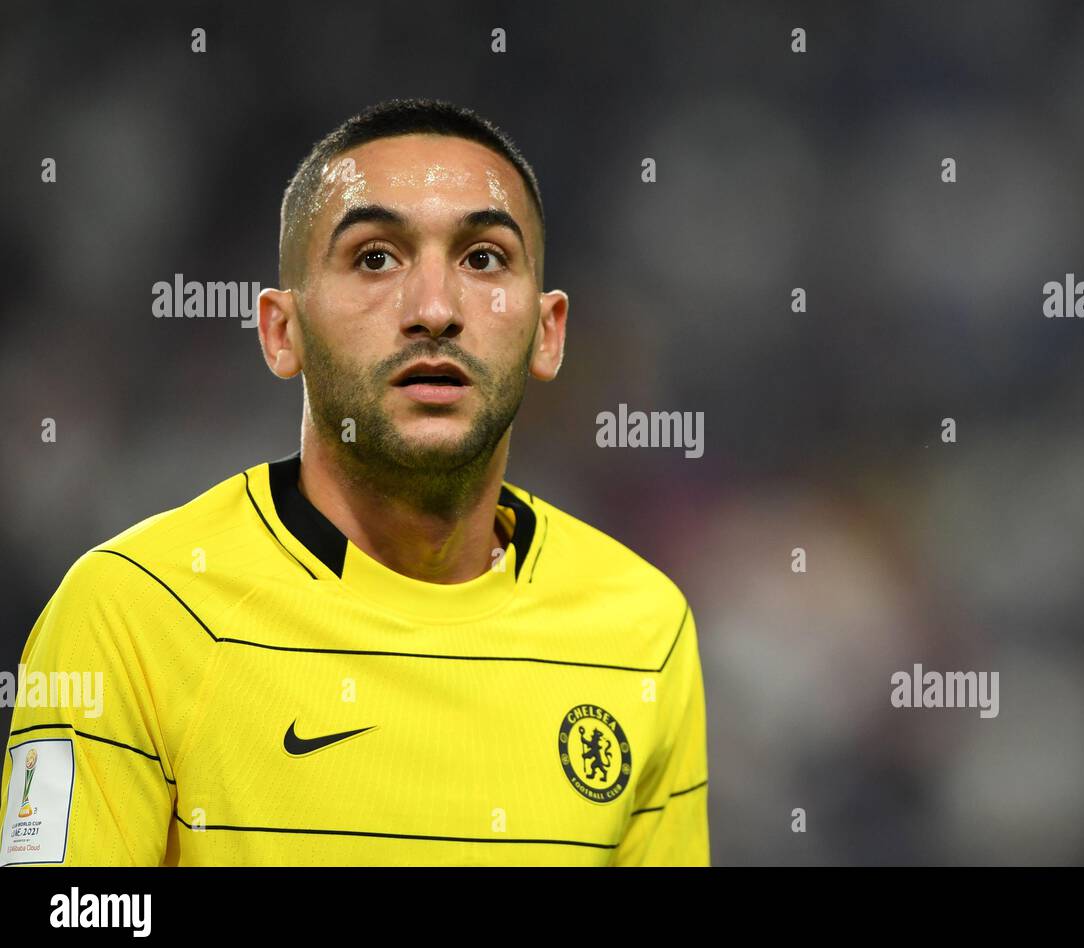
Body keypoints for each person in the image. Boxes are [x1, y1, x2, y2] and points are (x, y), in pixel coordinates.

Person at [0, 98, 708, 866]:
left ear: (549, 331)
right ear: (282, 331)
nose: (434, 310)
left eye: (483, 258)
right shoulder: (131, 611)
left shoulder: (645, 629)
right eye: (375, 257)